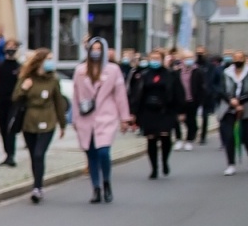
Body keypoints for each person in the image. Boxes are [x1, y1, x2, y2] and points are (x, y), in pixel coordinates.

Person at [71, 39, 130, 202]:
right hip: (86, 117)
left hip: (106, 116)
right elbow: (75, 97)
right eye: (93, 48)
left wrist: (124, 118)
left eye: (99, 48)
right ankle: (96, 188)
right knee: (91, 154)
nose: (96, 51)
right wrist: (74, 119)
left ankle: (106, 182)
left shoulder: (113, 70)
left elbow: (120, 95)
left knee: (103, 151)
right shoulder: (80, 71)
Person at [11, 49, 69, 202]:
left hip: (48, 120)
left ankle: (38, 187)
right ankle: (36, 182)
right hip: (29, 121)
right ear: (40, 61)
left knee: (39, 154)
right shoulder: (26, 77)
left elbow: (59, 103)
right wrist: (24, 88)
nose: (51, 61)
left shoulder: (53, 80)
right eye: (48, 58)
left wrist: (63, 125)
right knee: (33, 155)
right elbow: (15, 97)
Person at [128, 48, 184, 180]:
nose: (155, 61)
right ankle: (154, 168)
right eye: (152, 59)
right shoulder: (144, 75)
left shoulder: (171, 75)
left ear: (163, 59)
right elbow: (136, 95)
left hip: (165, 111)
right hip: (148, 111)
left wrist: (180, 111)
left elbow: (178, 93)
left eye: (157, 59)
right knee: (151, 139)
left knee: (165, 136)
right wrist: (133, 113)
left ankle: (164, 161)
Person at [0, 40, 21, 167]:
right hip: (0, 101)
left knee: (11, 128)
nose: (10, 49)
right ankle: (6, 153)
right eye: (8, 47)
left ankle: (11, 155)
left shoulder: (18, 66)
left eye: (13, 47)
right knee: (3, 128)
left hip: (13, 102)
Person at [222, 51, 248, 175]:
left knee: (246, 137)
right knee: (229, 137)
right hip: (228, 109)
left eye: (240, 58)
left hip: (245, 108)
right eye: (235, 58)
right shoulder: (226, 73)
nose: (238, 60)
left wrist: (240, 102)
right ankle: (231, 164)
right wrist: (230, 100)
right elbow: (221, 89)